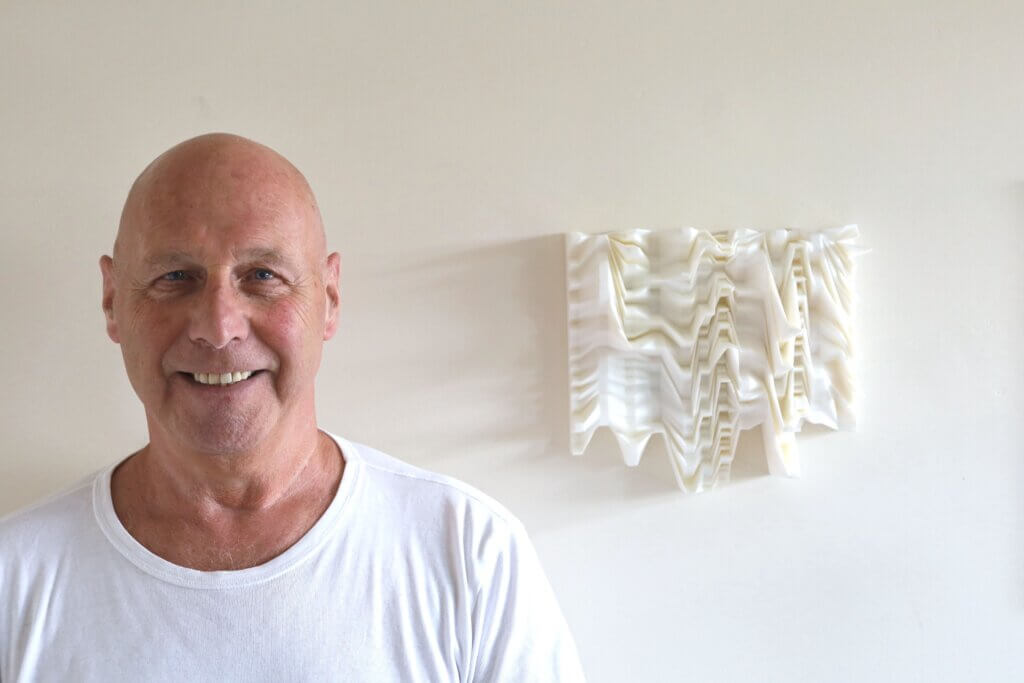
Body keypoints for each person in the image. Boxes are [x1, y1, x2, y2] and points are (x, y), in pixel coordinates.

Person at [0, 133, 585, 681]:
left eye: (261, 275)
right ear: (111, 302)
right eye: (175, 276)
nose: (219, 327)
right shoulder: (15, 579)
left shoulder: (468, 556)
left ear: (328, 299)